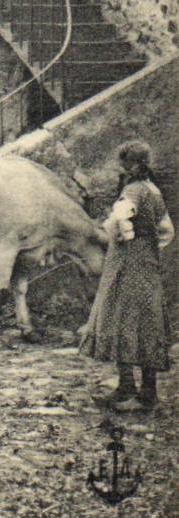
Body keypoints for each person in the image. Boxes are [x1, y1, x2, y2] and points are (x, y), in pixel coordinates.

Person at [80, 140, 174, 412]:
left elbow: (120, 218)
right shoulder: (154, 190)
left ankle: (126, 389)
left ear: (130, 165)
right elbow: (167, 231)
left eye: (123, 164)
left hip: (127, 264)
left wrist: (123, 236)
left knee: (121, 318)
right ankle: (147, 393)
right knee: (146, 322)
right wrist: (149, 244)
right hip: (147, 264)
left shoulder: (132, 190)